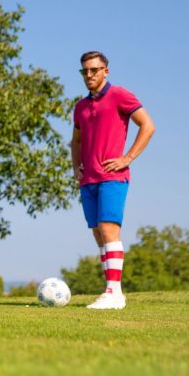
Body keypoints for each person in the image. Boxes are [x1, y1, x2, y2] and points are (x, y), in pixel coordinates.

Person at [70, 51, 155, 310]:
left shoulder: (120, 95)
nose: (89, 75)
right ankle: (110, 289)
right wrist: (76, 168)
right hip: (89, 180)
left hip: (112, 176)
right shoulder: (81, 107)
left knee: (109, 229)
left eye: (94, 70)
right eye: (85, 71)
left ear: (105, 71)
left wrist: (127, 157)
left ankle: (114, 292)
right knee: (98, 233)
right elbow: (75, 140)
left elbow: (148, 126)